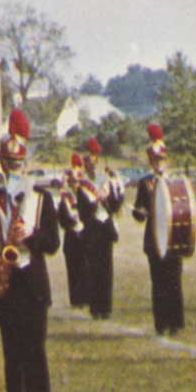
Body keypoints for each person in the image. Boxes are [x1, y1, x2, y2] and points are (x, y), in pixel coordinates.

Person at [0, 108, 61, 392]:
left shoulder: (41, 198)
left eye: (18, 163)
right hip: (8, 288)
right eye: (8, 162)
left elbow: (52, 243)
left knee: (34, 355)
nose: (14, 168)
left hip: (33, 286)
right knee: (12, 358)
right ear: (2, 163)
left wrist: (29, 234)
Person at [130, 123, 185, 336]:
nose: (158, 163)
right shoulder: (145, 183)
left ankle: (176, 323)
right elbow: (138, 209)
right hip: (153, 237)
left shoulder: (174, 181)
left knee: (174, 280)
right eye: (154, 160)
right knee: (159, 282)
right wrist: (139, 213)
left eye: (161, 159)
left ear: (166, 160)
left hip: (173, 236)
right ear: (150, 162)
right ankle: (161, 323)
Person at [75, 137, 123, 320]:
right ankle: (96, 307)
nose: (92, 166)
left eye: (94, 161)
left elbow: (115, 205)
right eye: (89, 163)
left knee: (107, 269)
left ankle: (106, 307)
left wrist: (109, 198)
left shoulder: (106, 183)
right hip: (93, 230)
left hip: (105, 229)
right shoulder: (83, 187)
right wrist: (95, 202)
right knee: (94, 270)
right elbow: (82, 212)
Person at [61, 152, 87, 309]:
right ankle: (76, 299)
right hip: (71, 235)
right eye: (73, 181)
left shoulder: (83, 194)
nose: (75, 184)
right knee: (73, 269)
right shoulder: (65, 196)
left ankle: (85, 297)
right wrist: (71, 222)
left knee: (85, 268)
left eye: (77, 181)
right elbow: (63, 218)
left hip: (83, 234)